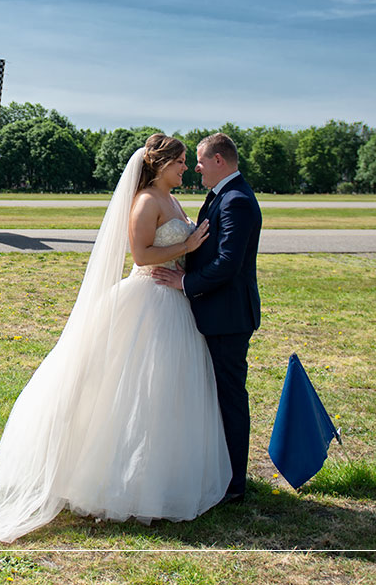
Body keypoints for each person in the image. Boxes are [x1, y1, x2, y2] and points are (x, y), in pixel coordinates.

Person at [0, 134, 232, 546]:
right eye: (181, 162)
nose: (186, 168)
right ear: (162, 164)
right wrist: (186, 245)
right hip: (148, 298)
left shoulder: (172, 199)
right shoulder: (146, 201)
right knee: (129, 392)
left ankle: (161, 477)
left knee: (165, 394)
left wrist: (189, 256)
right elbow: (142, 255)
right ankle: (116, 480)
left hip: (174, 302)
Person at [152, 132, 261, 505]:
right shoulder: (222, 196)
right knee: (212, 395)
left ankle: (233, 483)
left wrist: (184, 281)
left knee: (229, 396)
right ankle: (219, 470)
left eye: (199, 161)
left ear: (219, 161)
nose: (195, 167)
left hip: (228, 315)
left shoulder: (237, 201)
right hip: (212, 311)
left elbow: (228, 264)